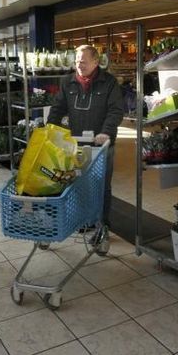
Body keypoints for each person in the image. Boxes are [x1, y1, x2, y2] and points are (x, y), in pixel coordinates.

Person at [47, 44, 124, 229]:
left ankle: (101, 224)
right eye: (76, 61)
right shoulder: (67, 82)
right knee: (78, 182)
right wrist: (50, 129)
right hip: (77, 143)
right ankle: (83, 219)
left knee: (101, 185)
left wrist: (106, 132)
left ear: (96, 62)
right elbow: (58, 108)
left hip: (101, 144)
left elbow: (115, 110)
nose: (79, 65)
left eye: (83, 61)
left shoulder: (109, 82)